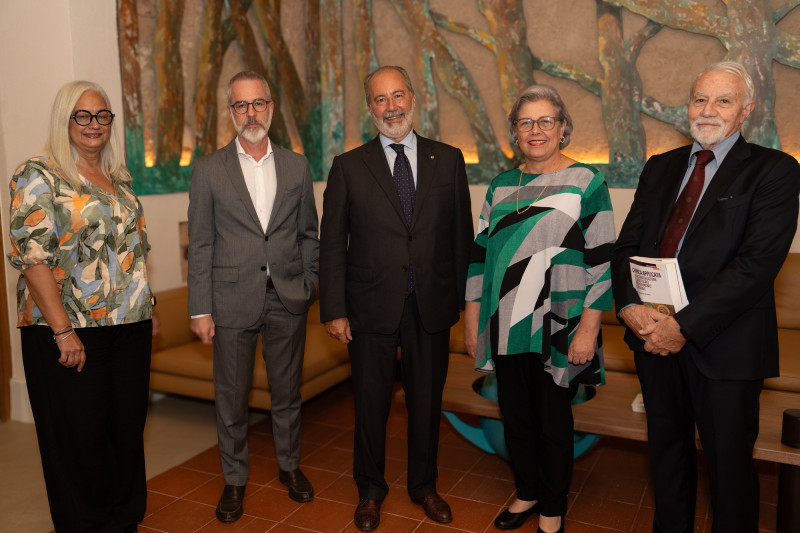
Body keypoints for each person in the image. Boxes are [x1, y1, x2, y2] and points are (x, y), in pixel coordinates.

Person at [612, 61, 800, 533]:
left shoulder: (774, 171)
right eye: (700, 100)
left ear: (746, 111)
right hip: (653, 342)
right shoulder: (660, 167)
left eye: (723, 100)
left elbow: (755, 267)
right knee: (667, 460)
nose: (708, 110)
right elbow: (627, 247)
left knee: (729, 473)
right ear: (687, 107)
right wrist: (630, 308)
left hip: (725, 347)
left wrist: (682, 327)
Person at [319, 65, 473, 531]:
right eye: (381, 99)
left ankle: (424, 486)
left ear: (414, 98)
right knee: (370, 404)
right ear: (370, 108)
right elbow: (332, 244)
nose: (392, 106)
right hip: (369, 307)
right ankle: (370, 490)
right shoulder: (348, 165)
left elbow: (461, 237)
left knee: (427, 401)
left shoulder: (448, 160)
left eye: (398, 95)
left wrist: (468, 307)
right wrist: (334, 309)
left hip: (431, 304)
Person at [464, 85, 615, 533]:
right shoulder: (500, 185)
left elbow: (604, 260)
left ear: (563, 128)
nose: (536, 130)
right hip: (505, 323)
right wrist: (473, 322)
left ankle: (552, 507)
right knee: (517, 418)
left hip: (560, 326)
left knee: (553, 422)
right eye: (526, 122)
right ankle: (527, 492)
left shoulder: (587, 181)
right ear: (514, 132)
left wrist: (588, 329)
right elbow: (479, 257)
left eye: (546, 120)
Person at [7, 80, 156, 533]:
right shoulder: (39, 173)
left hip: (128, 324)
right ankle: (85, 524)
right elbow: (32, 258)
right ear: (65, 120)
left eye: (102, 115)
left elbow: (135, 250)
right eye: (83, 116)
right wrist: (62, 331)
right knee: (77, 439)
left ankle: (124, 519)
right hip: (68, 328)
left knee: (125, 430)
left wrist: (145, 303)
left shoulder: (119, 177)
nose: (95, 125)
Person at [187, 70, 319, 523]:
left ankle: (289, 468)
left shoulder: (297, 165)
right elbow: (200, 243)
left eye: (258, 103)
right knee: (231, 396)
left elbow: (308, 234)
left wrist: (310, 281)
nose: (251, 113)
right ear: (231, 112)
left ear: (271, 107)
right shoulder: (207, 169)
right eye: (241, 105)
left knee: (287, 393)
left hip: (287, 297)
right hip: (230, 302)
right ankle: (235, 480)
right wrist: (200, 308)